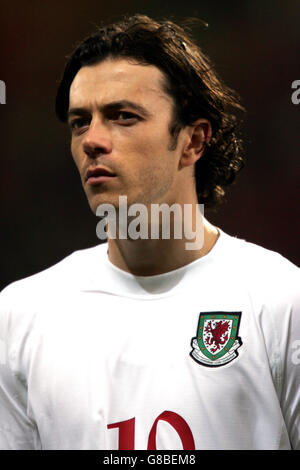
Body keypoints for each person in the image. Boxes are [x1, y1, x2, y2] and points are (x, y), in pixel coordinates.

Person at [0, 14, 299, 450]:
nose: (91, 140)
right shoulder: (20, 316)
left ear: (193, 141)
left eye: (122, 116)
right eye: (80, 122)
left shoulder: (281, 301)